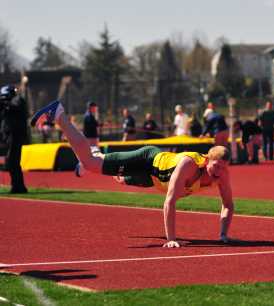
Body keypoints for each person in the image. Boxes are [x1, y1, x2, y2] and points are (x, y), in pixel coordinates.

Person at [31, 100, 235, 248]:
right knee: (90, 163)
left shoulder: (222, 175)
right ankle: (60, 116)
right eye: (215, 167)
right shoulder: (189, 165)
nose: (218, 172)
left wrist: (223, 234)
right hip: (147, 162)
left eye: (223, 168)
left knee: (120, 180)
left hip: (152, 180)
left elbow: (228, 204)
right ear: (207, 160)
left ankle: (97, 157)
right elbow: (169, 201)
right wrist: (171, 238)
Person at [0, 85, 28, 193]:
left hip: (16, 135)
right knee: (12, 162)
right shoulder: (6, 105)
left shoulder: (17, 99)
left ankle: (19, 186)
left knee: (13, 161)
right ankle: (17, 186)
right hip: (9, 136)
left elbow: (14, 107)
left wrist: (4, 103)